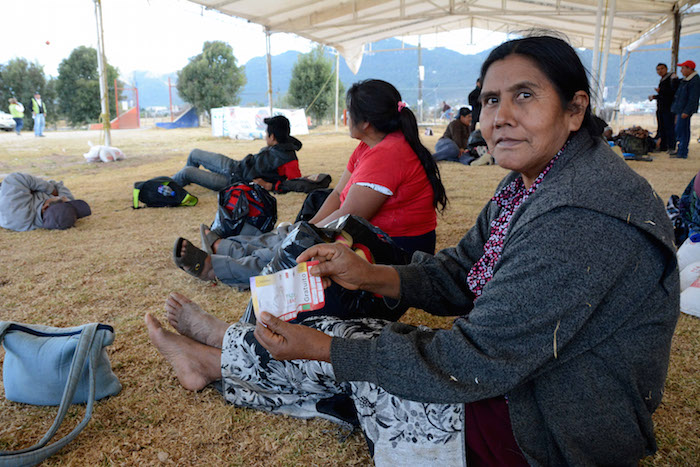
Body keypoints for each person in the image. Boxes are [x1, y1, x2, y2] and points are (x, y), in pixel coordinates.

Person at [147, 34, 679, 466]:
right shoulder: (536, 182)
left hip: (552, 429)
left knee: (355, 358)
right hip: (536, 386)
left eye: (524, 95)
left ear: (574, 109)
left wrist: (323, 348)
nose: (499, 117)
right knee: (355, 346)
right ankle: (223, 352)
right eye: (490, 100)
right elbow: (461, 272)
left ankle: (219, 357)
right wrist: (369, 275)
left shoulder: (580, 215)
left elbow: (471, 361)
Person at [173, 79, 448, 288]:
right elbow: (339, 193)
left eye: (349, 111)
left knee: (296, 252)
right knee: (297, 232)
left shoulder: (388, 154)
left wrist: (306, 234)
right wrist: (308, 226)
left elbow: (349, 216)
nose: (346, 115)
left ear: (365, 122)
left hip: (394, 255)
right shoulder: (370, 146)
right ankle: (224, 248)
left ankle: (215, 267)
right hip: (371, 236)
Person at [172, 115, 302, 192]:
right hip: (235, 166)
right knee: (194, 153)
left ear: (272, 137)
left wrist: (270, 186)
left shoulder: (289, 159)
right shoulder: (281, 145)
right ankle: (178, 188)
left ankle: (161, 189)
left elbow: (296, 183)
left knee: (187, 172)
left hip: (234, 181)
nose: (265, 136)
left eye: (266, 133)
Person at [0, 172, 91, 231]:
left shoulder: (16, 211)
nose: (63, 198)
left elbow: (14, 178)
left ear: (46, 206)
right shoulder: (54, 217)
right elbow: (63, 191)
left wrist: (51, 189)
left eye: (60, 199)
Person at [670, 60, 700, 158]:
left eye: (683, 68)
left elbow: (693, 97)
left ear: (689, 69)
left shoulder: (694, 80)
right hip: (681, 108)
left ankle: (682, 152)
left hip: (684, 110)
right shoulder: (686, 80)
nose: (681, 70)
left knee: (682, 130)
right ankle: (680, 150)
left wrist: (687, 111)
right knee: (681, 130)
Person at [649, 63, 678, 152]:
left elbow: (671, 93)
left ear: (666, 69)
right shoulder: (663, 79)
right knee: (662, 128)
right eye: (658, 69)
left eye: (662, 68)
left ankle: (671, 146)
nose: (660, 71)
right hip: (661, 107)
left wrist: (660, 91)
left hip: (668, 108)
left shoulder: (671, 78)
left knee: (669, 128)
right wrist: (656, 96)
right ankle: (663, 146)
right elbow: (663, 95)